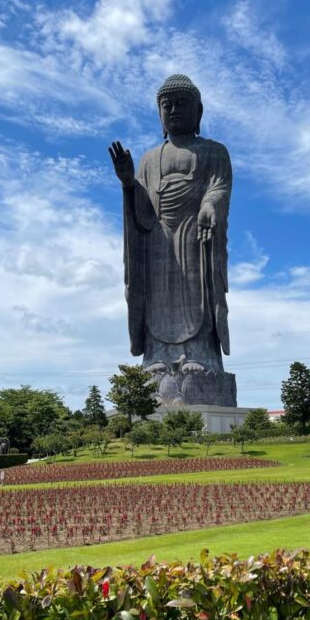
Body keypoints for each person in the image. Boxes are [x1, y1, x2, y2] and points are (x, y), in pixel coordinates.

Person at [109, 75, 233, 404]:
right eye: (167, 105)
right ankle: (157, 357)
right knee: (156, 297)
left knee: (197, 290)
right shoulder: (149, 159)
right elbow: (144, 209)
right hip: (157, 239)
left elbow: (219, 186)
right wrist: (128, 183)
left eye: (182, 104)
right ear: (159, 114)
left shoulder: (214, 151)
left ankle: (199, 353)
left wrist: (209, 205)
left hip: (195, 234)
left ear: (198, 111)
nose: (174, 110)